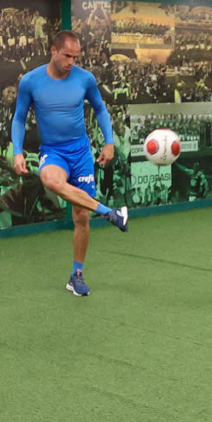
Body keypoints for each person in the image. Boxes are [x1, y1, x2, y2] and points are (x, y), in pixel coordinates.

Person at [12, 30, 128, 297]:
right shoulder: (30, 81)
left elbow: (100, 109)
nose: (71, 62)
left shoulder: (85, 79)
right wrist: (18, 151)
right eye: (67, 56)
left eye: (76, 57)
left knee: (81, 215)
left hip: (81, 152)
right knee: (50, 180)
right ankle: (109, 213)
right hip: (54, 151)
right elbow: (19, 118)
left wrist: (109, 141)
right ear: (53, 51)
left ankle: (76, 276)